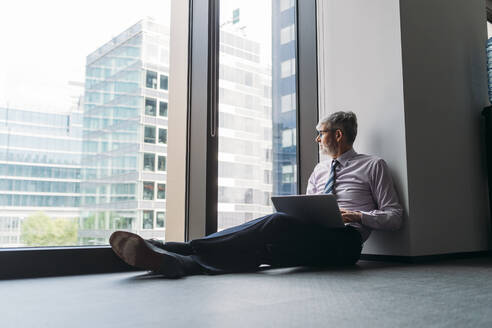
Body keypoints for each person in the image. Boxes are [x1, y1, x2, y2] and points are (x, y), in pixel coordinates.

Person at [109, 111, 403, 278]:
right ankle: (181, 263)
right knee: (266, 247)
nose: (317, 139)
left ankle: (177, 248)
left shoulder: (372, 165)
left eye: (321, 132)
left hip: (346, 243)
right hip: (315, 237)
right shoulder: (319, 171)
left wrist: (358, 215)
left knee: (276, 223)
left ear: (338, 135)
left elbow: (394, 216)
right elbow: (310, 209)